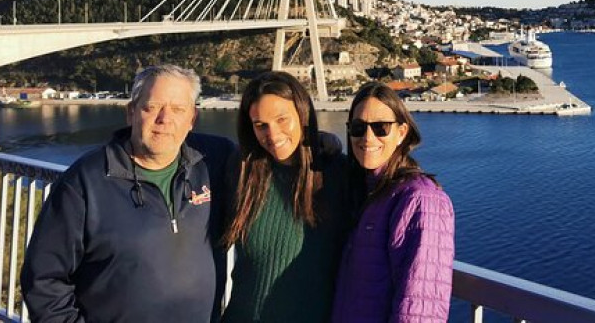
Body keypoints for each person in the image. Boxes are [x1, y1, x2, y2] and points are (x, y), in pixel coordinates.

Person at [20, 64, 237, 323]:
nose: (165, 119)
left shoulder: (214, 160)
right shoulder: (85, 182)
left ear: (192, 120)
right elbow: (44, 279)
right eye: (152, 107)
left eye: (178, 109)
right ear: (131, 112)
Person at [222, 71, 349, 323]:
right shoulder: (242, 170)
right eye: (261, 125)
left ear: (302, 115)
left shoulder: (338, 174)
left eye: (282, 119)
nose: (273, 134)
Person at [331, 82, 455, 323]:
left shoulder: (420, 200)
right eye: (358, 128)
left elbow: (419, 309)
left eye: (381, 128)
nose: (368, 137)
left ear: (401, 132)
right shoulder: (368, 192)